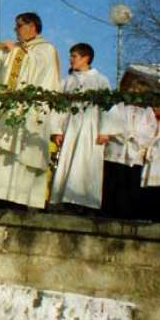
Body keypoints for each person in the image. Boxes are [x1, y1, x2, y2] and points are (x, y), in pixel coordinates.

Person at [0, 13, 62, 209]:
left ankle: (17, 203)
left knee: (21, 159)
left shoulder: (45, 49)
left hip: (29, 113)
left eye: (19, 26)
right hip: (6, 111)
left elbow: (37, 68)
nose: (15, 29)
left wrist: (17, 51)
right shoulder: (16, 49)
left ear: (32, 26)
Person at [49, 43, 112, 210]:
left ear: (86, 58)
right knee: (68, 161)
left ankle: (86, 203)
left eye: (74, 56)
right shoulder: (67, 81)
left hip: (91, 128)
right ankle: (65, 200)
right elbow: (58, 106)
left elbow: (107, 107)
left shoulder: (101, 80)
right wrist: (57, 130)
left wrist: (105, 130)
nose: (70, 60)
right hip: (71, 127)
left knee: (87, 163)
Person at [101, 81, 156, 219]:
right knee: (112, 183)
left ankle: (128, 215)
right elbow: (112, 124)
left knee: (130, 186)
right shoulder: (119, 107)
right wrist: (126, 134)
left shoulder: (147, 112)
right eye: (133, 92)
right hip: (116, 150)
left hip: (135, 152)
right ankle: (108, 212)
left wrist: (135, 137)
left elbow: (150, 130)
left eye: (139, 92)